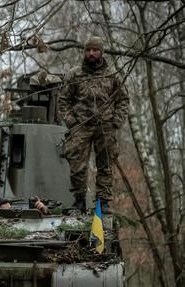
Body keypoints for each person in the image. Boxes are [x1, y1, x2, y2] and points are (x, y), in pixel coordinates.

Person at [58, 36, 129, 213]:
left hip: (105, 126)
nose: (91, 53)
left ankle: (103, 202)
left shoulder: (112, 74)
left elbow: (123, 100)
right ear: (84, 52)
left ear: (101, 52)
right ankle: (79, 200)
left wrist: (115, 123)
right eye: (88, 50)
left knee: (105, 165)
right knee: (77, 166)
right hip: (80, 126)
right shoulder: (75, 74)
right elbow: (63, 100)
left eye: (95, 50)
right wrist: (72, 122)